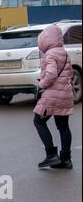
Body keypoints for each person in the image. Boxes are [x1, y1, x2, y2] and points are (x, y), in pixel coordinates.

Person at [33, 25, 74, 169]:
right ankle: (66, 159)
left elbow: (51, 74)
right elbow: (70, 74)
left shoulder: (50, 54)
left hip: (52, 96)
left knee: (38, 121)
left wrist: (41, 85)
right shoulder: (65, 53)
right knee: (63, 127)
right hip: (66, 94)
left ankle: (51, 155)